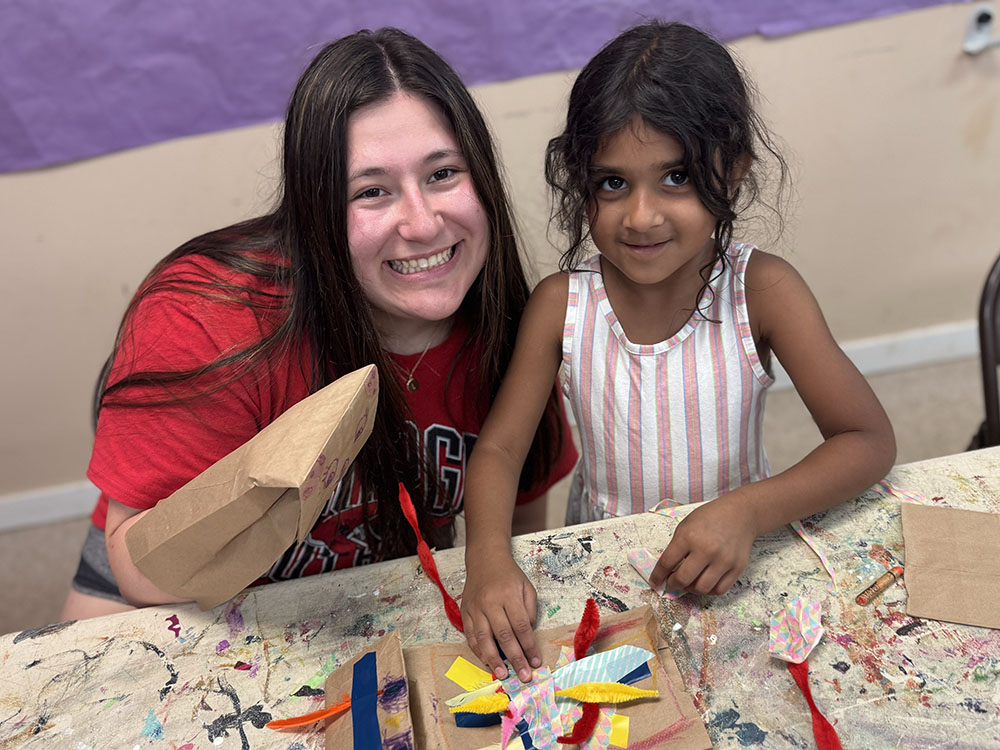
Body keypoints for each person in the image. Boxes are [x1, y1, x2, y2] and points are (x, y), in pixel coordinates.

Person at [60, 27, 576, 621]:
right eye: (371, 191)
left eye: (442, 174)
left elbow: (521, 520)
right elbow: (137, 572)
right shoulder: (204, 317)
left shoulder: (514, 325)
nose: (423, 223)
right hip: (170, 584)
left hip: (369, 589)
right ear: (314, 209)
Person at [460, 20, 896, 682]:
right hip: (606, 576)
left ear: (735, 171)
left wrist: (748, 510)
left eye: (677, 176)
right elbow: (497, 452)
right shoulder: (561, 305)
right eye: (612, 182)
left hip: (739, 560)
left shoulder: (764, 291)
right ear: (581, 182)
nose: (641, 215)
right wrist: (488, 558)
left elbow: (866, 440)